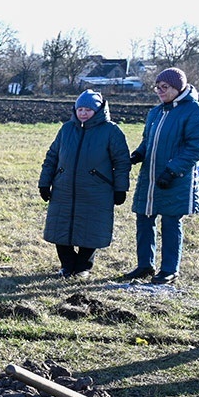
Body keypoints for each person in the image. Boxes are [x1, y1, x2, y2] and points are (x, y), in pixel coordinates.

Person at [124, 67, 199, 285]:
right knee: (144, 218)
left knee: (170, 222)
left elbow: (196, 147)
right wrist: (138, 154)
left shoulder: (194, 111)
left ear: (178, 88)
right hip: (149, 177)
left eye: (164, 87)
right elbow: (148, 141)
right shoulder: (156, 112)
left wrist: (172, 171)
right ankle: (145, 265)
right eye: (157, 87)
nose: (160, 91)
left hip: (176, 179)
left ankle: (169, 269)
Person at [39, 90, 130, 278]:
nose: (83, 113)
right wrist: (44, 182)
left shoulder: (111, 131)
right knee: (60, 228)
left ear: (98, 110)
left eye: (88, 109)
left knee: (92, 229)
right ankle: (67, 265)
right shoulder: (66, 129)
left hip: (96, 191)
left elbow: (121, 162)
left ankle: (83, 267)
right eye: (80, 108)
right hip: (63, 188)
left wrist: (121, 188)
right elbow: (52, 157)